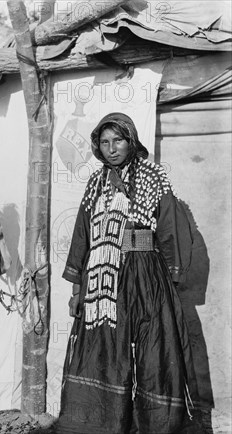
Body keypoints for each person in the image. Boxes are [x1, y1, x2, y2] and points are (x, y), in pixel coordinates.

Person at [57, 112, 198, 433]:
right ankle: (103, 423)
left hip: (145, 272)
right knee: (107, 347)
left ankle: (152, 425)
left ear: (131, 140)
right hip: (102, 279)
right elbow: (82, 234)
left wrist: (170, 279)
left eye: (117, 140)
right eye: (104, 142)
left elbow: (171, 227)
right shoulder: (95, 182)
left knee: (152, 348)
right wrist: (77, 288)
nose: (111, 148)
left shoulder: (154, 175)